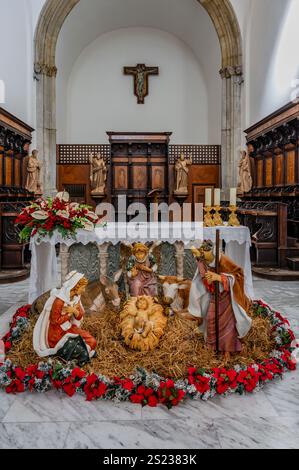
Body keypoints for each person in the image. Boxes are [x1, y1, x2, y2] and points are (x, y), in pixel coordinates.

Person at [188, 240, 252, 361]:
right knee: (211, 319)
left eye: (203, 252)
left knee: (228, 325)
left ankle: (227, 350)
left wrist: (220, 278)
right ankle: (212, 347)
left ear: (209, 251)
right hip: (214, 296)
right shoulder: (203, 262)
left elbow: (239, 275)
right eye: (199, 253)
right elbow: (204, 280)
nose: (201, 255)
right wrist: (208, 279)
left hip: (228, 298)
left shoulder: (223, 260)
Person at [33, 271, 97, 360]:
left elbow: (79, 316)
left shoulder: (75, 298)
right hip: (57, 334)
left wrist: (74, 311)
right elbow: (54, 321)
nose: (84, 290)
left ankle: (83, 353)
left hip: (69, 328)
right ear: (75, 287)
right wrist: (69, 314)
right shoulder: (59, 301)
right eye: (82, 288)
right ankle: (82, 354)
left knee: (92, 341)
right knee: (76, 348)